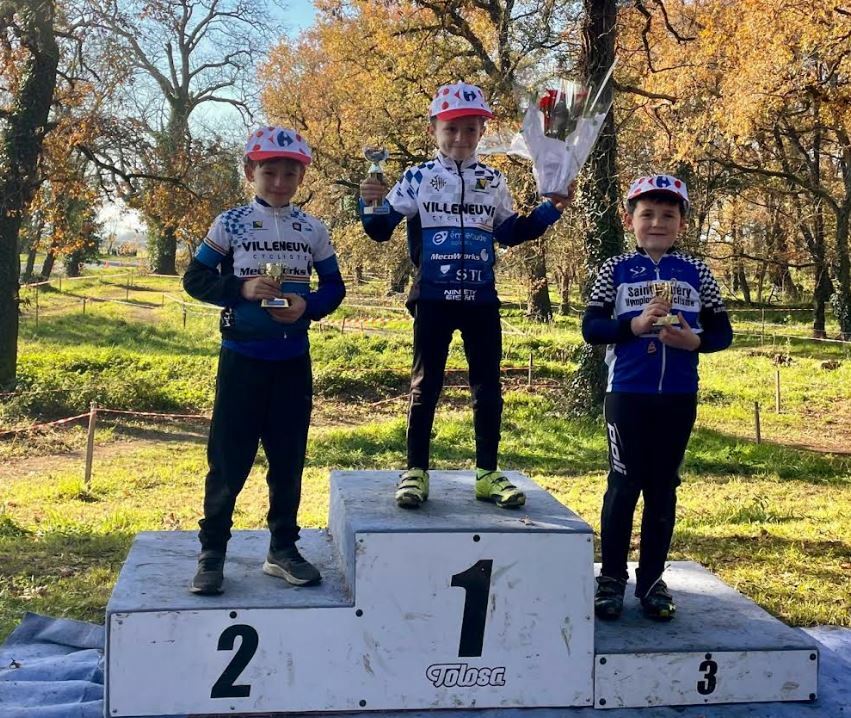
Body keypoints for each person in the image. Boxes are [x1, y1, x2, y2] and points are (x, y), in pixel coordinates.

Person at [359, 82, 573, 510]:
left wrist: (551, 209)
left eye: (471, 129)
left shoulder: (493, 178)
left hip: (481, 300)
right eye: (451, 129)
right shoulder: (417, 177)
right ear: (434, 129)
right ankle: (415, 471)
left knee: (488, 387)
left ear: (481, 131)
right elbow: (380, 231)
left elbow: (509, 232)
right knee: (426, 385)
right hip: (433, 298)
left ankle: (487, 473)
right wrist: (369, 203)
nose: (461, 138)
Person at [183, 126, 346, 594]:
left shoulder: (312, 228)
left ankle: (283, 548)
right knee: (228, 461)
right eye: (269, 172)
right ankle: (212, 552)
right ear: (250, 172)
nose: (278, 182)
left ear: (301, 177)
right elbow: (195, 279)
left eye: (289, 174)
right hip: (241, 359)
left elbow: (335, 287)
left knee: (288, 459)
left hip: (292, 361)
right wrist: (241, 288)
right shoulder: (230, 222)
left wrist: (308, 306)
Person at [582, 175, 732, 620]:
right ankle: (611, 578)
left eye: (669, 214)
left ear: (682, 223)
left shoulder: (697, 272)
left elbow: (723, 332)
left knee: (663, 488)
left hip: (678, 396)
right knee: (623, 484)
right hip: (627, 394)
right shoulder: (614, 269)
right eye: (647, 214)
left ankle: (651, 581)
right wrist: (632, 326)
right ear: (629, 219)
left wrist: (695, 342)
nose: (657, 223)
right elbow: (591, 328)